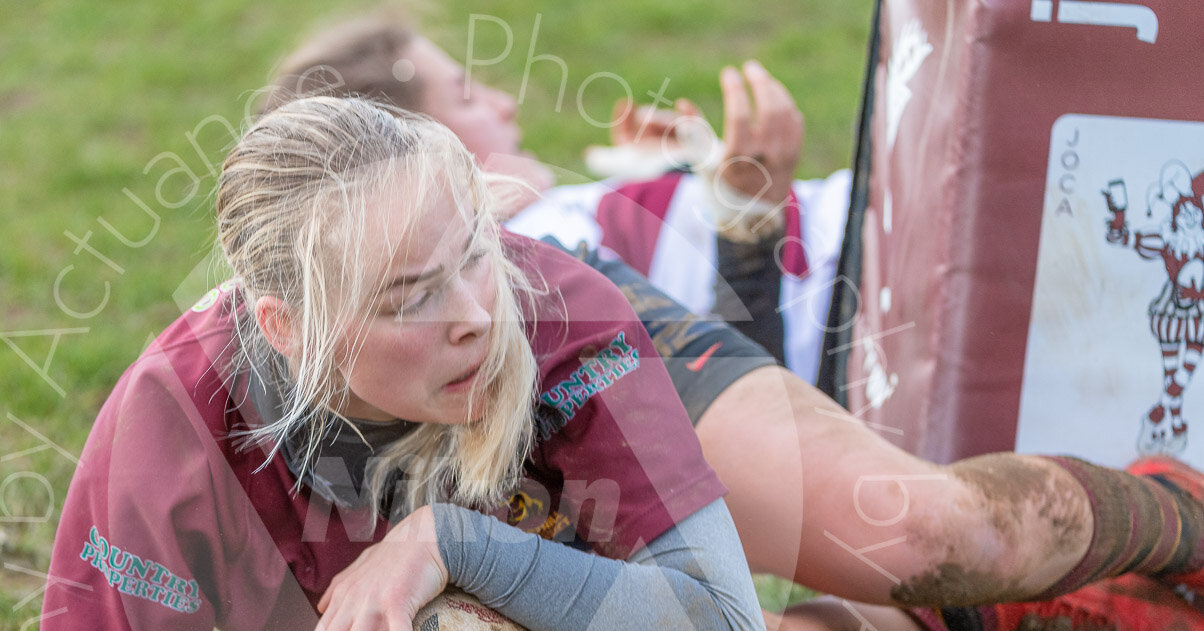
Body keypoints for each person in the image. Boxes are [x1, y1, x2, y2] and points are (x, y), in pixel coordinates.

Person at [249, 18, 1204, 631]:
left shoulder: (560, 246)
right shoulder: (283, 406)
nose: (500, 100)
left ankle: (1180, 511)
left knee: (928, 536)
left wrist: (748, 226)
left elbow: (711, 417)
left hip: (743, 376)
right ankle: (992, 619)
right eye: (466, 91)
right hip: (781, 371)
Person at [34, 96, 774, 631]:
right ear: (286, 328)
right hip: (511, 584)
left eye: (472, 255)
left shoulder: (555, 319)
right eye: (410, 297)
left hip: (641, 346)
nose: (473, 318)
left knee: (887, 550)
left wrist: (456, 542)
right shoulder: (179, 410)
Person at [260, 16, 850, 382]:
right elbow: (748, 402)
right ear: (413, 160)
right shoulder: (520, 269)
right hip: (864, 307)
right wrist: (750, 226)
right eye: (466, 99)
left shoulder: (531, 228)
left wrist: (665, 175)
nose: (505, 104)